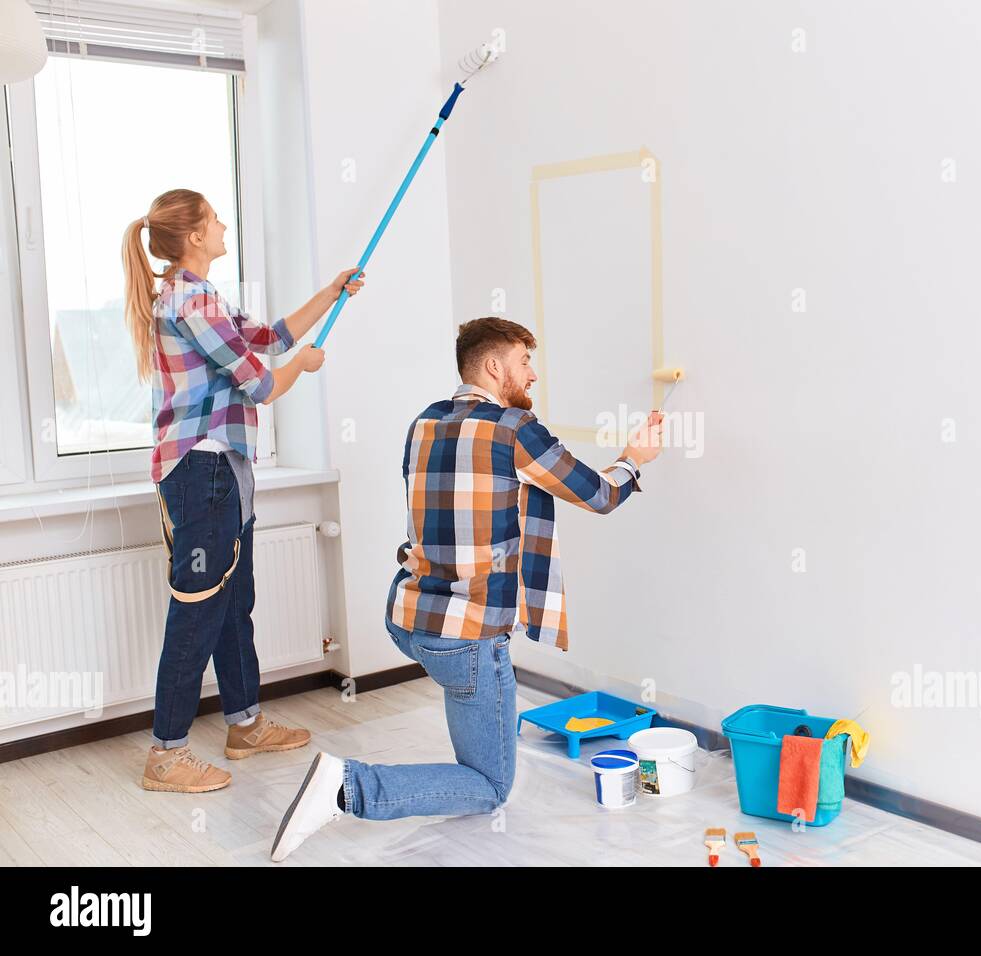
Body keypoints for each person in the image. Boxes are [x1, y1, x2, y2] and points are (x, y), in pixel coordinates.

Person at [270, 317, 663, 860]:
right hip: (468, 636)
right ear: (494, 366)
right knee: (490, 786)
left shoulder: (423, 424)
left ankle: (382, 766)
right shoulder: (513, 431)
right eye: (525, 362)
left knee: (467, 695)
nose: (533, 375)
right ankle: (348, 788)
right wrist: (634, 460)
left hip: (409, 619)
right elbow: (598, 495)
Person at [122, 188, 364, 793]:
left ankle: (244, 724)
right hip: (200, 473)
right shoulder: (190, 301)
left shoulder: (203, 298)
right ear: (196, 235)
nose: (224, 224)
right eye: (215, 218)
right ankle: (166, 753)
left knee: (234, 602)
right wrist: (302, 367)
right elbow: (260, 385)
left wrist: (332, 293)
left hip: (225, 470)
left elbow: (270, 337)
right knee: (198, 609)